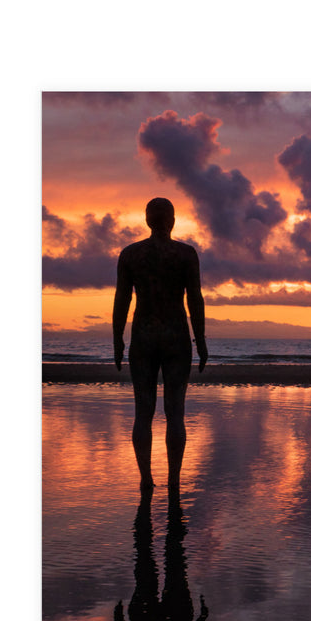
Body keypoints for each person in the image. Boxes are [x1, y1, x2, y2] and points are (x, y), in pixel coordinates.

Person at [112, 198, 207, 492]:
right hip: (177, 336)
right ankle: (174, 480)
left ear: (147, 220)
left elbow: (122, 300)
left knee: (144, 411)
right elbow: (194, 299)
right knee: (175, 412)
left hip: (143, 337)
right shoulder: (185, 254)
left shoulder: (131, 254)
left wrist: (117, 338)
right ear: (173, 220)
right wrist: (200, 339)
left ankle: (146, 478)